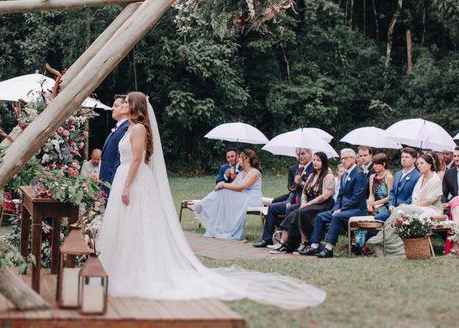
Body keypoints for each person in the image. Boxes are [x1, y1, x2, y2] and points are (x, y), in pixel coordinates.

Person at [95, 92, 325, 309]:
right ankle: (124, 267)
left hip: (133, 180)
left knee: (136, 224)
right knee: (127, 225)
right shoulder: (131, 129)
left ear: (135, 107)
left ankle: (136, 272)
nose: (121, 105)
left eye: (126, 103)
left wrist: (126, 186)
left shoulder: (137, 130)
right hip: (125, 178)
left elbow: (137, 160)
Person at [366, 153, 443, 256]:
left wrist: (412, 206)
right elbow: (413, 197)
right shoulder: (421, 178)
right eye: (418, 164)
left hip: (432, 209)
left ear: (429, 164)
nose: (419, 165)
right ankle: (385, 241)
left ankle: (386, 242)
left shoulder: (435, 179)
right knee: (400, 211)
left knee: (401, 209)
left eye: (422, 163)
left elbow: (430, 201)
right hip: (417, 207)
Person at [300, 148, 367, 258]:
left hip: (357, 209)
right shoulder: (345, 174)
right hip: (343, 209)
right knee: (320, 216)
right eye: (341, 159)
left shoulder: (359, 174)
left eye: (344, 158)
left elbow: (357, 198)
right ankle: (314, 245)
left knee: (337, 217)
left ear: (352, 158)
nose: (343, 161)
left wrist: (341, 209)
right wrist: (336, 208)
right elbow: (340, 195)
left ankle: (329, 248)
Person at [269, 152, 335, 254]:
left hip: (323, 204)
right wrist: (303, 203)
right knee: (293, 214)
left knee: (301, 212)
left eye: (318, 160)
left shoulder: (328, 176)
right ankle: (283, 243)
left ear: (324, 162)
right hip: (310, 203)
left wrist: (308, 204)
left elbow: (325, 195)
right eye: (314, 160)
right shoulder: (312, 175)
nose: (315, 162)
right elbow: (304, 192)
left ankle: (304, 243)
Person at [193, 149, 262, 240]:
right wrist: (221, 185)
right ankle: (204, 206)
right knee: (223, 191)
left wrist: (224, 184)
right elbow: (233, 185)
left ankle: (203, 204)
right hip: (242, 197)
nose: (238, 160)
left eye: (240, 158)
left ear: (246, 159)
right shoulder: (241, 174)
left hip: (251, 199)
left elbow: (242, 187)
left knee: (225, 191)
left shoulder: (255, 173)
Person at [253, 148, 313, 248]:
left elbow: (311, 189)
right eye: (298, 154)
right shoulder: (297, 169)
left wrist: (301, 183)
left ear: (310, 154)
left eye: (303, 154)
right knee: (272, 207)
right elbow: (293, 189)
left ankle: (287, 241)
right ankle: (267, 239)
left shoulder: (313, 168)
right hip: (294, 199)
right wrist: (289, 200)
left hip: (305, 201)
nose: (300, 156)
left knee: (289, 209)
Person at [354, 153, 394, 253]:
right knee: (361, 214)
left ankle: (369, 245)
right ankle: (359, 245)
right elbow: (371, 194)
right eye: (374, 164)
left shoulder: (389, 177)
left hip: (385, 205)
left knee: (374, 216)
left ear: (384, 164)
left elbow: (390, 196)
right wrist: (370, 204)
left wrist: (376, 203)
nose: (374, 166)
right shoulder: (372, 177)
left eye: (377, 164)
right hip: (374, 204)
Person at [374, 147, 421, 222]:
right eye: (402, 157)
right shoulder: (398, 174)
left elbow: (413, 197)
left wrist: (399, 208)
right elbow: (392, 192)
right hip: (392, 208)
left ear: (414, 159)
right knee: (377, 217)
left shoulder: (417, 176)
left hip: (405, 210)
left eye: (407, 157)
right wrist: (391, 205)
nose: (404, 159)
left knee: (381, 218)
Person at [99, 95, 129, 195]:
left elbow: (120, 157)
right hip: (106, 179)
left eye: (116, 105)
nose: (112, 108)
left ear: (125, 107)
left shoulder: (126, 128)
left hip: (114, 180)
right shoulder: (118, 127)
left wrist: (114, 181)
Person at [443, 146, 459, 228]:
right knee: (456, 204)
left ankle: (456, 232)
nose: (456, 158)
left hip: (457, 201)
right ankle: (458, 231)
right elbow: (444, 193)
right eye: (455, 156)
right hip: (454, 204)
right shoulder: (449, 173)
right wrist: (444, 203)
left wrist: (457, 198)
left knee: (456, 202)